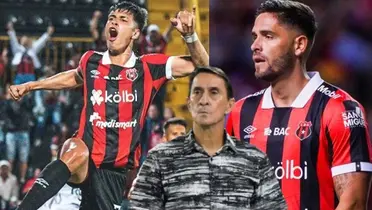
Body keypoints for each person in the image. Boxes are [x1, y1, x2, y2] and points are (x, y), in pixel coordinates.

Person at [9, 1, 208, 210]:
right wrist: (32, 85)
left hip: (114, 171)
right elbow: (74, 77)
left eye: (123, 20)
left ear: (135, 34)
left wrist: (190, 37)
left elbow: (202, 65)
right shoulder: (91, 60)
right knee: (73, 148)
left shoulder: (149, 67)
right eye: (112, 19)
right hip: (84, 161)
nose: (114, 22)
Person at [225, 1, 372, 209]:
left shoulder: (340, 109)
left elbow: (353, 202)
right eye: (254, 36)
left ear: (299, 45)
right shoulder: (241, 112)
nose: (255, 45)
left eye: (268, 36)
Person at [129, 66, 286, 209]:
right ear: (189, 104)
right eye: (197, 92)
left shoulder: (255, 160)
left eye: (214, 92)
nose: (204, 101)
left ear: (229, 105)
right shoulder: (159, 158)